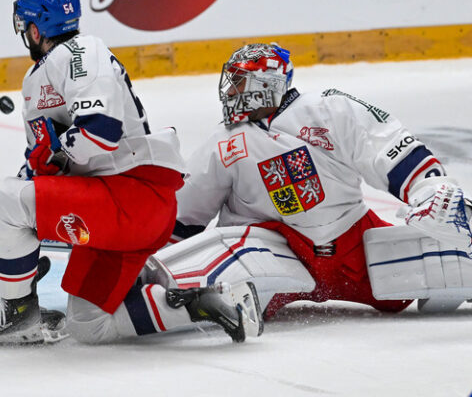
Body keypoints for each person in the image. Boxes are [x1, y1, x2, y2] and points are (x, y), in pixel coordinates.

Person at [0, 0, 263, 345]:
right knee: (88, 325)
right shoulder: (43, 75)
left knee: (5, 197)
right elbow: (46, 166)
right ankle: (208, 302)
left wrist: (50, 159)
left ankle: (16, 311)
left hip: (132, 196)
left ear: (35, 29)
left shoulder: (80, 51)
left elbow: (101, 130)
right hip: (116, 211)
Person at [147, 42, 472, 320]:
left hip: (353, 246)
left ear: (270, 83)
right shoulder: (223, 142)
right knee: (214, 281)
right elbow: (185, 214)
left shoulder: (330, 109)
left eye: (240, 83)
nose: (231, 92)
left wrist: (429, 188)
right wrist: (152, 261)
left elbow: (386, 146)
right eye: (231, 83)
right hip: (273, 254)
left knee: (444, 259)